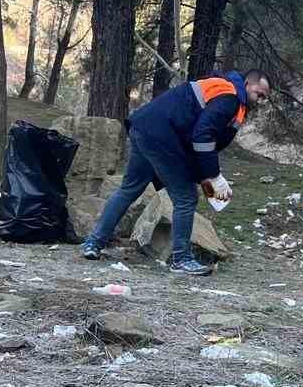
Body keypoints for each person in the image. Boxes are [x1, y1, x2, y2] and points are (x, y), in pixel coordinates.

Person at [81, 69, 271, 275]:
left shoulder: (223, 89)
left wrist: (202, 175)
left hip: (144, 127)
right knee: (186, 197)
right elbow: (203, 137)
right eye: (258, 94)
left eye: (264, 98)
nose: (260, 100)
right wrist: (213, 176)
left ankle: (93, 243)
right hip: (160, 137)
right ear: (246, 84)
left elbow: (194, 137)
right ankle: (181, 259)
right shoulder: (230, 98)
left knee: (129, 189)